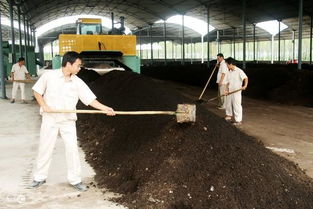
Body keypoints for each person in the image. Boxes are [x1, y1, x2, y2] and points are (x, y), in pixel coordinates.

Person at [29, 51, 115, 191]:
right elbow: (37, 91)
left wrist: (105, 108)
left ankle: (75, 180)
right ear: (68, 64)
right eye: (78, 65)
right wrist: (44, 106)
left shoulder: (77, 81)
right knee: (46, 147)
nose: (79, 68)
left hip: (67, 120)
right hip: (50, 118)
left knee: (72, 150)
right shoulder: (49, 76)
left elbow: (90, 99)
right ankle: (39, 177)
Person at [224, 57, 248, 126]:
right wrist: (226, 90)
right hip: (229, 91)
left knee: (236, 105)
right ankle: (228, 116)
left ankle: (238, 120)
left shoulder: (239, 71)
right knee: (228, 104)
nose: (226, 66)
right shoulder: (229, 72)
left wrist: (245, 85)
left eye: (227, 65)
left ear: (231, 64)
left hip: (236, 92)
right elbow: (227, 82)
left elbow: (245, 78)